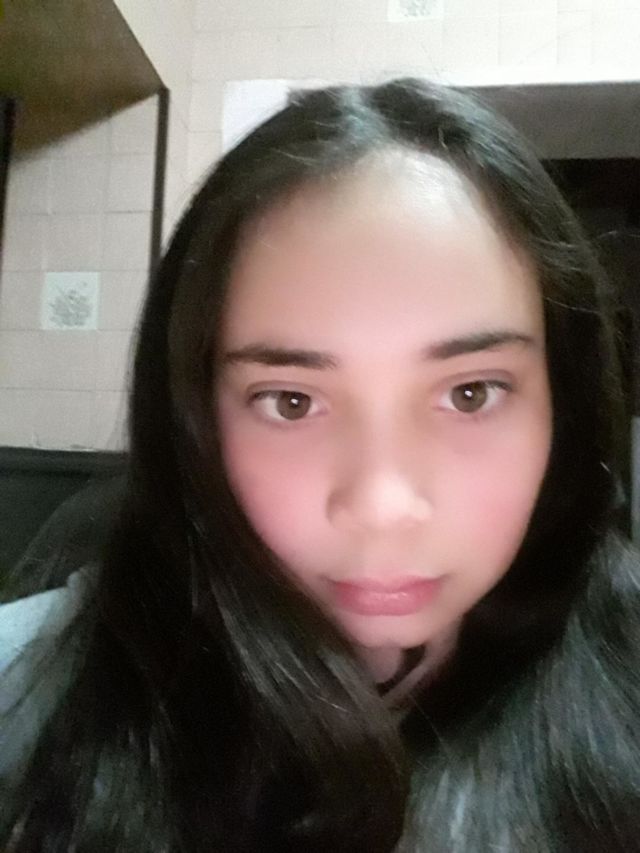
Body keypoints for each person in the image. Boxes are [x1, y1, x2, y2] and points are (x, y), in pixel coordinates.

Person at [1, 78, 639, 852]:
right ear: (194, 414)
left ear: (563, 403)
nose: (381, 503)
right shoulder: (33, 695)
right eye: (292, 401)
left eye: (470, 393)